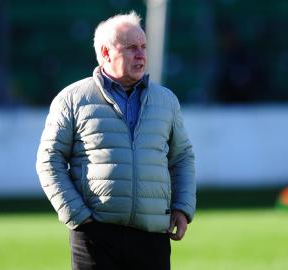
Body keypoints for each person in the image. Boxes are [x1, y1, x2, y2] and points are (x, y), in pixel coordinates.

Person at [36, 11, 195, 270]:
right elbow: (48, 160)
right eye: (131, 48)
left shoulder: (166, 100)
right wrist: (77, 215)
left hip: (152, 235)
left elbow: (182, 157)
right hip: (95, 235)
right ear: (106, 53)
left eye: (143, 47)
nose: (142, 54)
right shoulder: (73, 99)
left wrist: (182, 207)